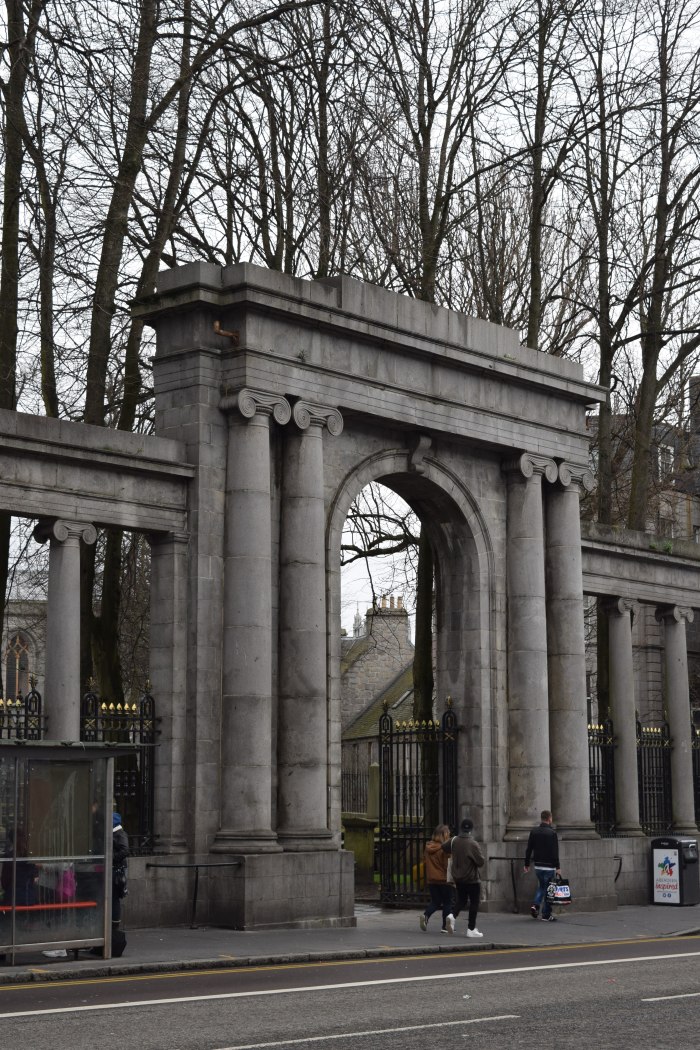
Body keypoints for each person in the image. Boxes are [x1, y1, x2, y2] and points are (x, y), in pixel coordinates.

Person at [442, 817, 485, 938]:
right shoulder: (473, 843)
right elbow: (481, 862)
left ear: (461, 828)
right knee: (474, 903)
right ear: (471, 829)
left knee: (461, 900)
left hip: (458, 878)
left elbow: (444, 847)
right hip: (472, 879)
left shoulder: (454, 840)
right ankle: (471, 929)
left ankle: (452, 916)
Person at [523, 809, 561, 922]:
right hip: (549, 866)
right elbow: (555, 852)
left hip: (538, 866)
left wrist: (526, 864)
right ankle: (546, 914)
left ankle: (535, 905)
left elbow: (529, 849)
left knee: (542, 886)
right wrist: (558, 867)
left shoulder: (534, 832)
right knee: (550, 890)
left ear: (542, 818)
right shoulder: (552, 833)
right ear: (549, 819)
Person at [419, 824, 454, 934]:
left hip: (431, 879)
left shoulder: (428, 847)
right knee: (447, 902)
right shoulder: (444, 849)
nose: (449, 834)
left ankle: (426, 915)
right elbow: (446, 865)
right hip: (444, 879)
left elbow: (424, 861)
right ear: (444, 835)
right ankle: (445, 927)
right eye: (448, 832)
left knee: (435, 902)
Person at [110, 812, 129, 957]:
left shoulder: (119, 834)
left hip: (116, 872)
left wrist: (112, 858)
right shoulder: (115, 834)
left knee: (114, 898)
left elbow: (125, 850)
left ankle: (114, 924)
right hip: (113, 870)